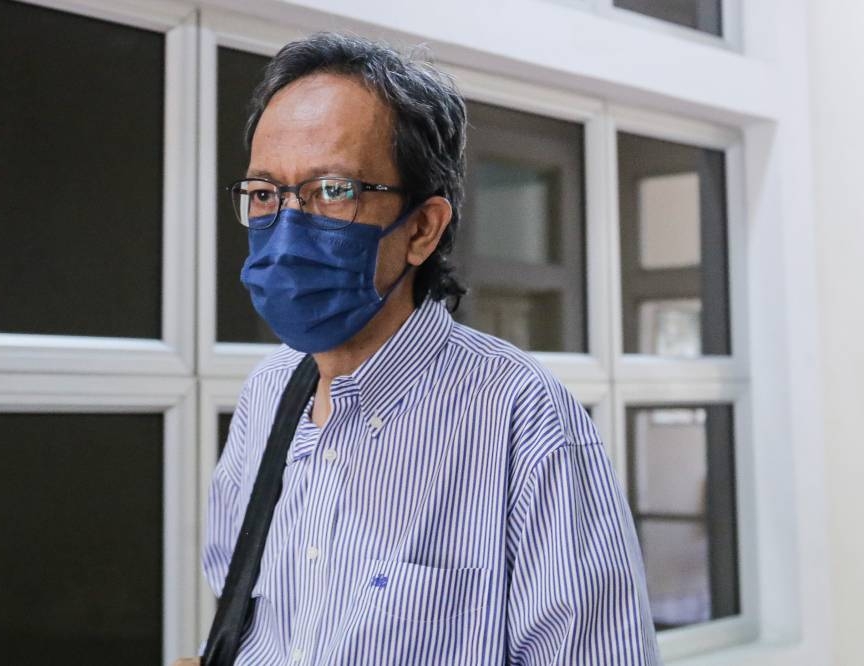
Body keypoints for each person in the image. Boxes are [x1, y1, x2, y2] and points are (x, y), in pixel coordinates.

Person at [192, 32, 661, 665]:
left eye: (332, 189)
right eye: (266, 194)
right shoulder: (270, 394)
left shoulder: (522, 419)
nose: (288, 224)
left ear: (421, 229)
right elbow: (251, 620)